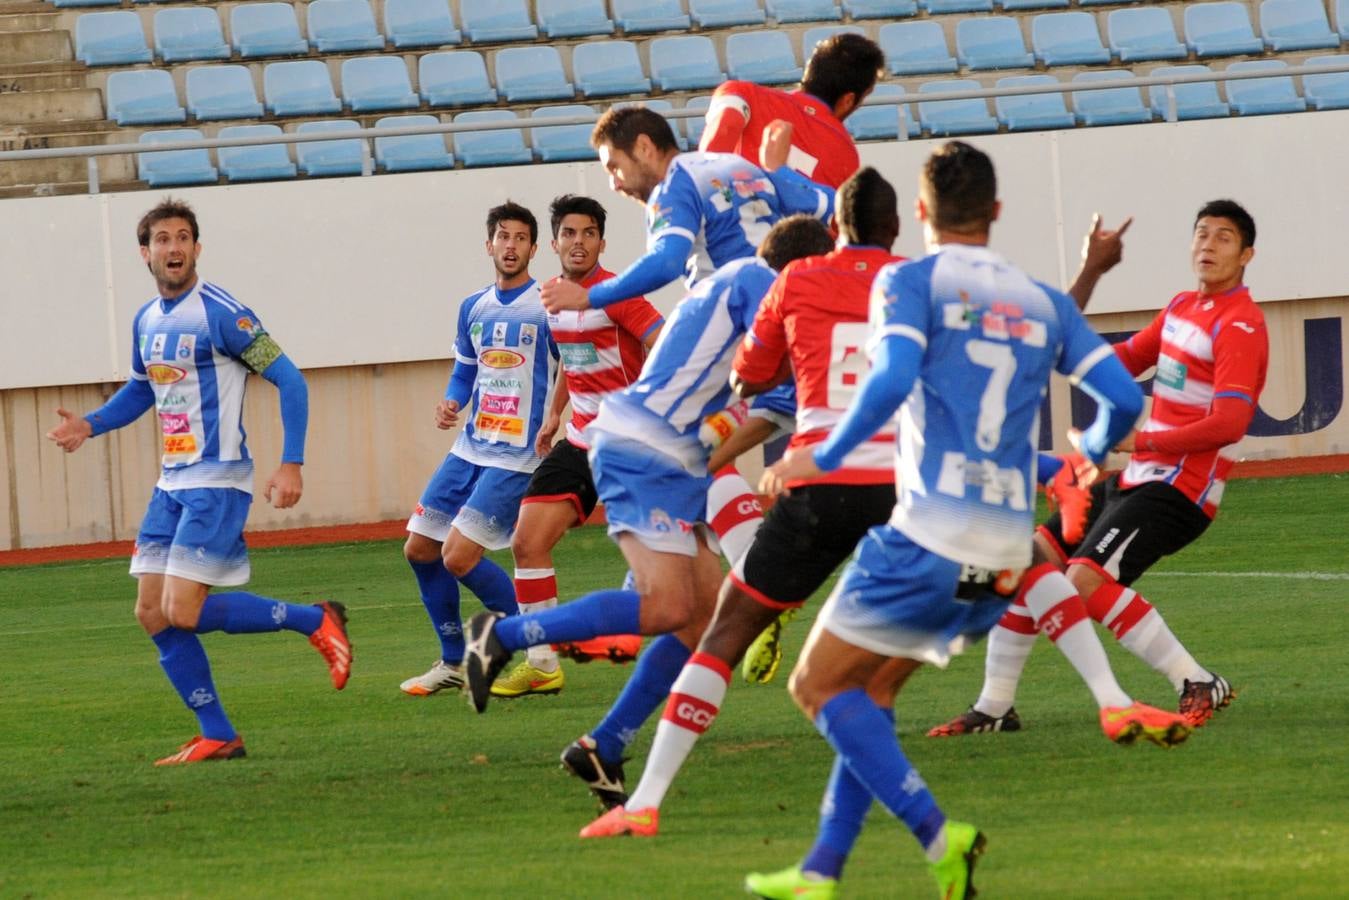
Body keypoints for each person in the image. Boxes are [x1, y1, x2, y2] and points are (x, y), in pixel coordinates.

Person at [739, 141, 1158, 900]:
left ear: (922, 213)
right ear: (995, 213)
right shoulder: (1042, 302)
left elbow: (894, 374)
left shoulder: (908, 283)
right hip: (1006, 555)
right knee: (868, 699)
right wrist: (1091, 449)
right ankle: (819, 872)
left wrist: (818, 456)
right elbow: (1126, 403)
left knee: (815, 686)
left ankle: (941, 835)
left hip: (929, 536)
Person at [460, 219, 835, 792]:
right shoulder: (767, 292)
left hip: (653, 446)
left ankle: (604, 746)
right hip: (647, 449)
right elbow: (768, 394)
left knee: (696, 621)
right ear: (805, 272)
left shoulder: (737, 281)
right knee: (666, 607)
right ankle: (503, 637)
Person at [930, 199, 1267, 737]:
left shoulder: (1242, 323)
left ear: (1247, 254)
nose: (1208, 244)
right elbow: (1120, 363)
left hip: (1183, 489)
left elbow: (1230, 422)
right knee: (1028, 565)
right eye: (1201, 233)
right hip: (1137, 480)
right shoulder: (1181, 307)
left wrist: (1143, 440)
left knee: (1081, 581)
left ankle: (1198, 680)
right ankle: (995, 708)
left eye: (1224, 237)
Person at [45, 198, 350, 766]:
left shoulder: (223, 314)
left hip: (217, 479)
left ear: (197, 248)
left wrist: (292, 463)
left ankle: (314, 619)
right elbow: (143, 390)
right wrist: (89, 424)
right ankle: (218, 734)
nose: (174, 248)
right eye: (162, 240)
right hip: (172, 483)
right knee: (151, 613)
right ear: (146, 253)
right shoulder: (146, 320)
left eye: (183, 238)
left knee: (183, 611)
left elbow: (291, 380)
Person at [494, 194, 663, 699]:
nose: (579, 242)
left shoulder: (618, 293)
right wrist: (553, 414)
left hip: (629, 443)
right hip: (579, 439)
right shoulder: (553, 297)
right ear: (554, 243)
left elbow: (664, 338)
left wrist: (656, 402)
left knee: (659, 556)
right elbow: (572, 357)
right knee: (526, 541)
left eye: (588, 233)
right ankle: (542, 663)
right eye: (569, 233)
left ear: (602, 242)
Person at [399, 202, 560, 697]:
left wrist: (556, 415)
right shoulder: (473, 306)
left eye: (519, 238)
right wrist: (453, 400)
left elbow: (575, 365)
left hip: (517, 452)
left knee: (458, 556)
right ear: (489, 244)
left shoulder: (549, 305)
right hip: (470, 446)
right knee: (420, 548)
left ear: (534, 248)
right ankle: (452, 661)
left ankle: (537, 647)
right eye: (502, 237)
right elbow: (466, 369)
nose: (510, 246)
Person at [540, 106, 835, 316]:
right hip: (792, 311)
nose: (614, 183)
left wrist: (590, 296)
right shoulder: (739, 166)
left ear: (644, 147)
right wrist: (780, 172)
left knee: (638, 403)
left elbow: (667, 261)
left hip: (733, 319)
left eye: (615, 167)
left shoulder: (673, 188)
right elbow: (834, 205)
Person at [700, 32, 884, 190]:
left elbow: (727, 125)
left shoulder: (745, 94)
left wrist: (706, 192)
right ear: (848, 100)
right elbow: (835, 226)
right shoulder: (846, 154)